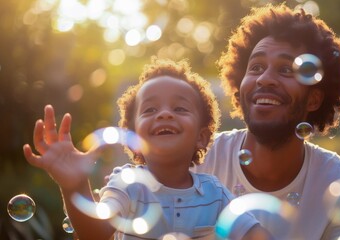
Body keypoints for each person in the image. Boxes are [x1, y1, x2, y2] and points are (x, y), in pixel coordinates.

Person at [23, 58, 270, 240]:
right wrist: (75, 186)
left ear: (202, 137)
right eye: (150, 110)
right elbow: (94, 234)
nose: (164, 114)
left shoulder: (215, 193)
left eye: (180, 108)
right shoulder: (127, 185)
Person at [193, 3, 340, 239]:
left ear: (314, 99)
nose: (265, 79)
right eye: (255, 67)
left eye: (286, 70)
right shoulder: (198, 160)